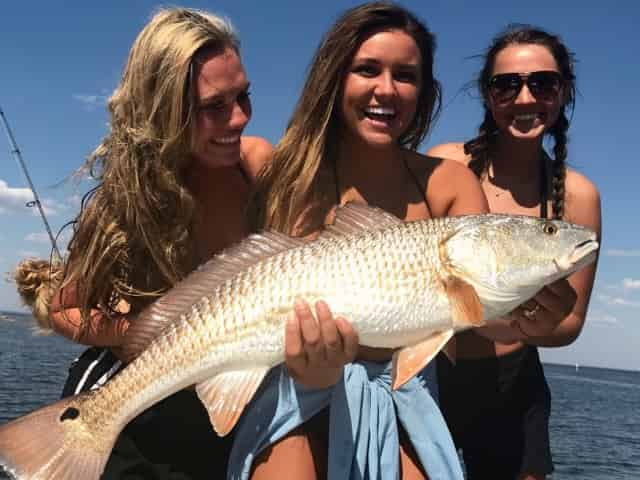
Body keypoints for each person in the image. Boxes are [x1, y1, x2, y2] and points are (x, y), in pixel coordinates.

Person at [14, 7, 275, 479]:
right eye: (214, 106)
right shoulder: (125, 201)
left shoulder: (256, 165)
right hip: (133, 403)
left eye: (244, 96)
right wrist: (142, 335)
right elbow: (64, 307)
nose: (238, 119)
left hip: (233, 399)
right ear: (164, 107)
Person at [238, 3, 489, 479]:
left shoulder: (449, 183)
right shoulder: (280, 174)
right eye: (367, 69)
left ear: (424, 91)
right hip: (292, 391)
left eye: (406, 76)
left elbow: (477, 314)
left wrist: (528, 311)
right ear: (335, 77)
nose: (386, 90)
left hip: (404, 397)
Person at [427, 25, 601, 480]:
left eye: (543, 83)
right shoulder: (448, 162)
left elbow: (569, 324)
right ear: (487, 95)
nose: (525, 99)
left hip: (514, 388)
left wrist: (522, 325)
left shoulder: (579, 196)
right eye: (506, 85)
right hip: (431, 376)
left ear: (564, 91)